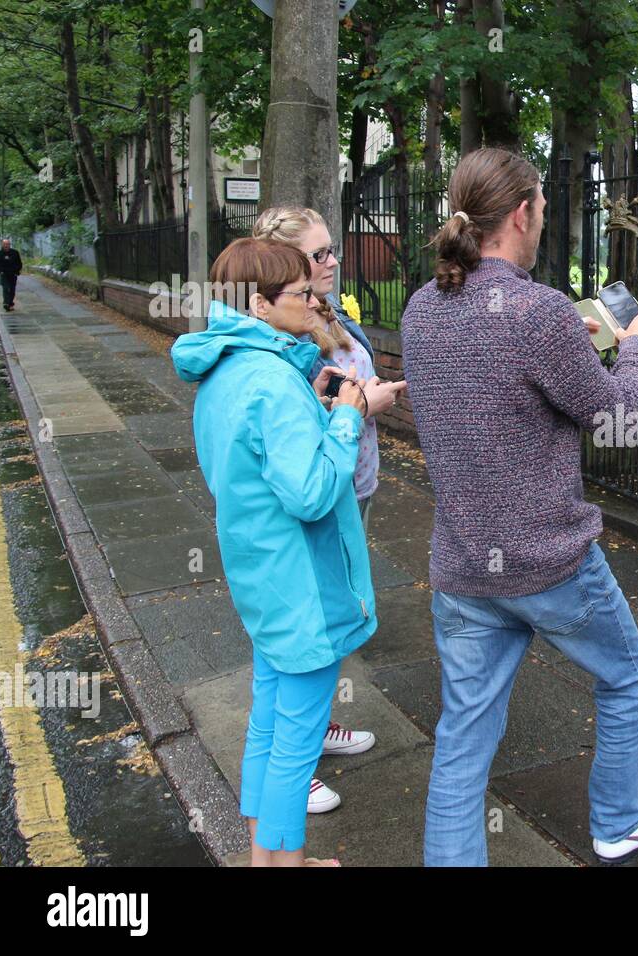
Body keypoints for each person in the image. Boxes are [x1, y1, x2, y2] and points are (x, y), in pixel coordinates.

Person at [401, 147, 638, 866]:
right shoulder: (540, 311)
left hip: (463, 566)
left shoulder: (422, 307)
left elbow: (491, 385)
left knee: (464, 736)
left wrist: (571, 350)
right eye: (545, 211)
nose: (544, 223)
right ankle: (618, 825)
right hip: (551, 565)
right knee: (626, 677)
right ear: (522, 213)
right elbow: (616, 415)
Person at [171, 238, 381, 866]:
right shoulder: (271, 382)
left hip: (261, 575)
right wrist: (347, 415)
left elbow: (251, 465)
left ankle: (265, 863)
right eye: (300, 293)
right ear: (259, 305)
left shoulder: (225, 367)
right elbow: (313, 494)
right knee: (296, 740)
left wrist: (314, 406)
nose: (315, 301)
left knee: (268, 722)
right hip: (304, 586)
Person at [251, 205, 406, 815]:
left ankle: (312, 733)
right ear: (287, 266)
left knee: (330, 620)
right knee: (303, 632)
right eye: (319, 256)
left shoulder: (326, 312)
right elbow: (304, 429)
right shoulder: (289, 337)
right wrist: (368, 402)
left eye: (330, 250)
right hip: (321, 488)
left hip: (352, 484)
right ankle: (296, 761)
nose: (333, 262)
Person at [0, 239, 22, 311]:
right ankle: (6, 303)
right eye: (5, 244)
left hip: (13, 274)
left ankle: (10, 303)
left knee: (12, 289)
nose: (6, 245)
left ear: (10, 244)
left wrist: (17, 270)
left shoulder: (15, 252)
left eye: (8, 244)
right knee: (5, 288)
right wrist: (0, 271)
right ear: (2, 245)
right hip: (4, 274)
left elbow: (19, 263)